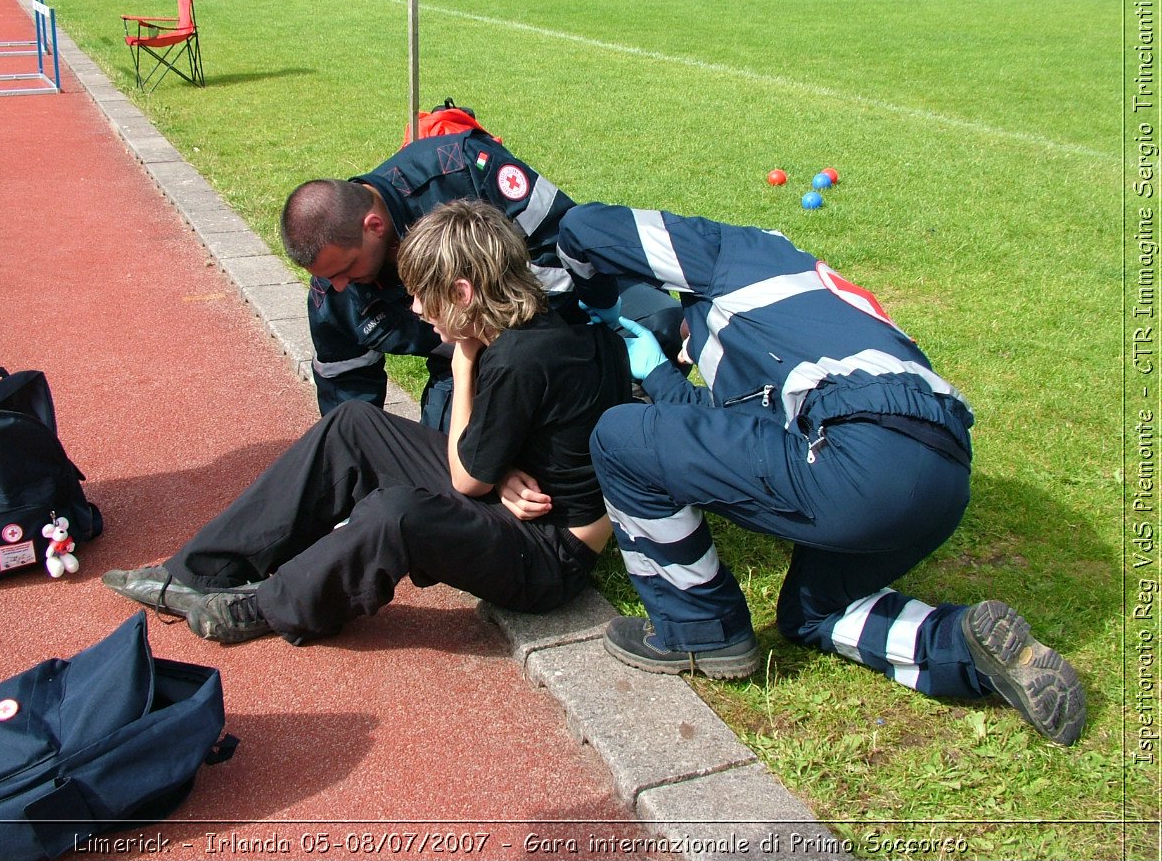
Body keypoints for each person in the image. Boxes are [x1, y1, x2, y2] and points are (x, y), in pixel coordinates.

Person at [555, 202, 1087, 746]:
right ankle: (963, 645)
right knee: (812, 613)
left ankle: (699, 631)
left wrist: (598, 304)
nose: (690, 352)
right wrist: (663, 374)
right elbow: (739, 449)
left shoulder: (726, 256)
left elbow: (584, 227)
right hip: (942, 476)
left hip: (858, 456)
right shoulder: (812, 313)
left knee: (622, 437)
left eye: (690, 343)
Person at [101, 199, 631, 645]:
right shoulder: (540, 321)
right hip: (524, 506)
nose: (418, 309)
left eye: (424, 294)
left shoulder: (513, 357)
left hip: (549, 556)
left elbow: (468, 478)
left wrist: (464, 360)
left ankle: (269, 605)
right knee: (354, 423)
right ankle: (199, 570)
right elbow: (528, 443)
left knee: (394, 513)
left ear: (464, 293)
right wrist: (500, 468)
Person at [282, 123, 682, 430]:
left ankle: (631, 413)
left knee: (660, 325)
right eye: (326, 278)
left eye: (345, 270)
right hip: (467, 362)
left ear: (374, 226)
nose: (337, 286)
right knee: (449, 462)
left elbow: (564, 243)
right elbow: (349, 402)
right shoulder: (332, 293)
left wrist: (552, 339)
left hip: (559, 314)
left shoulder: (459, 169)